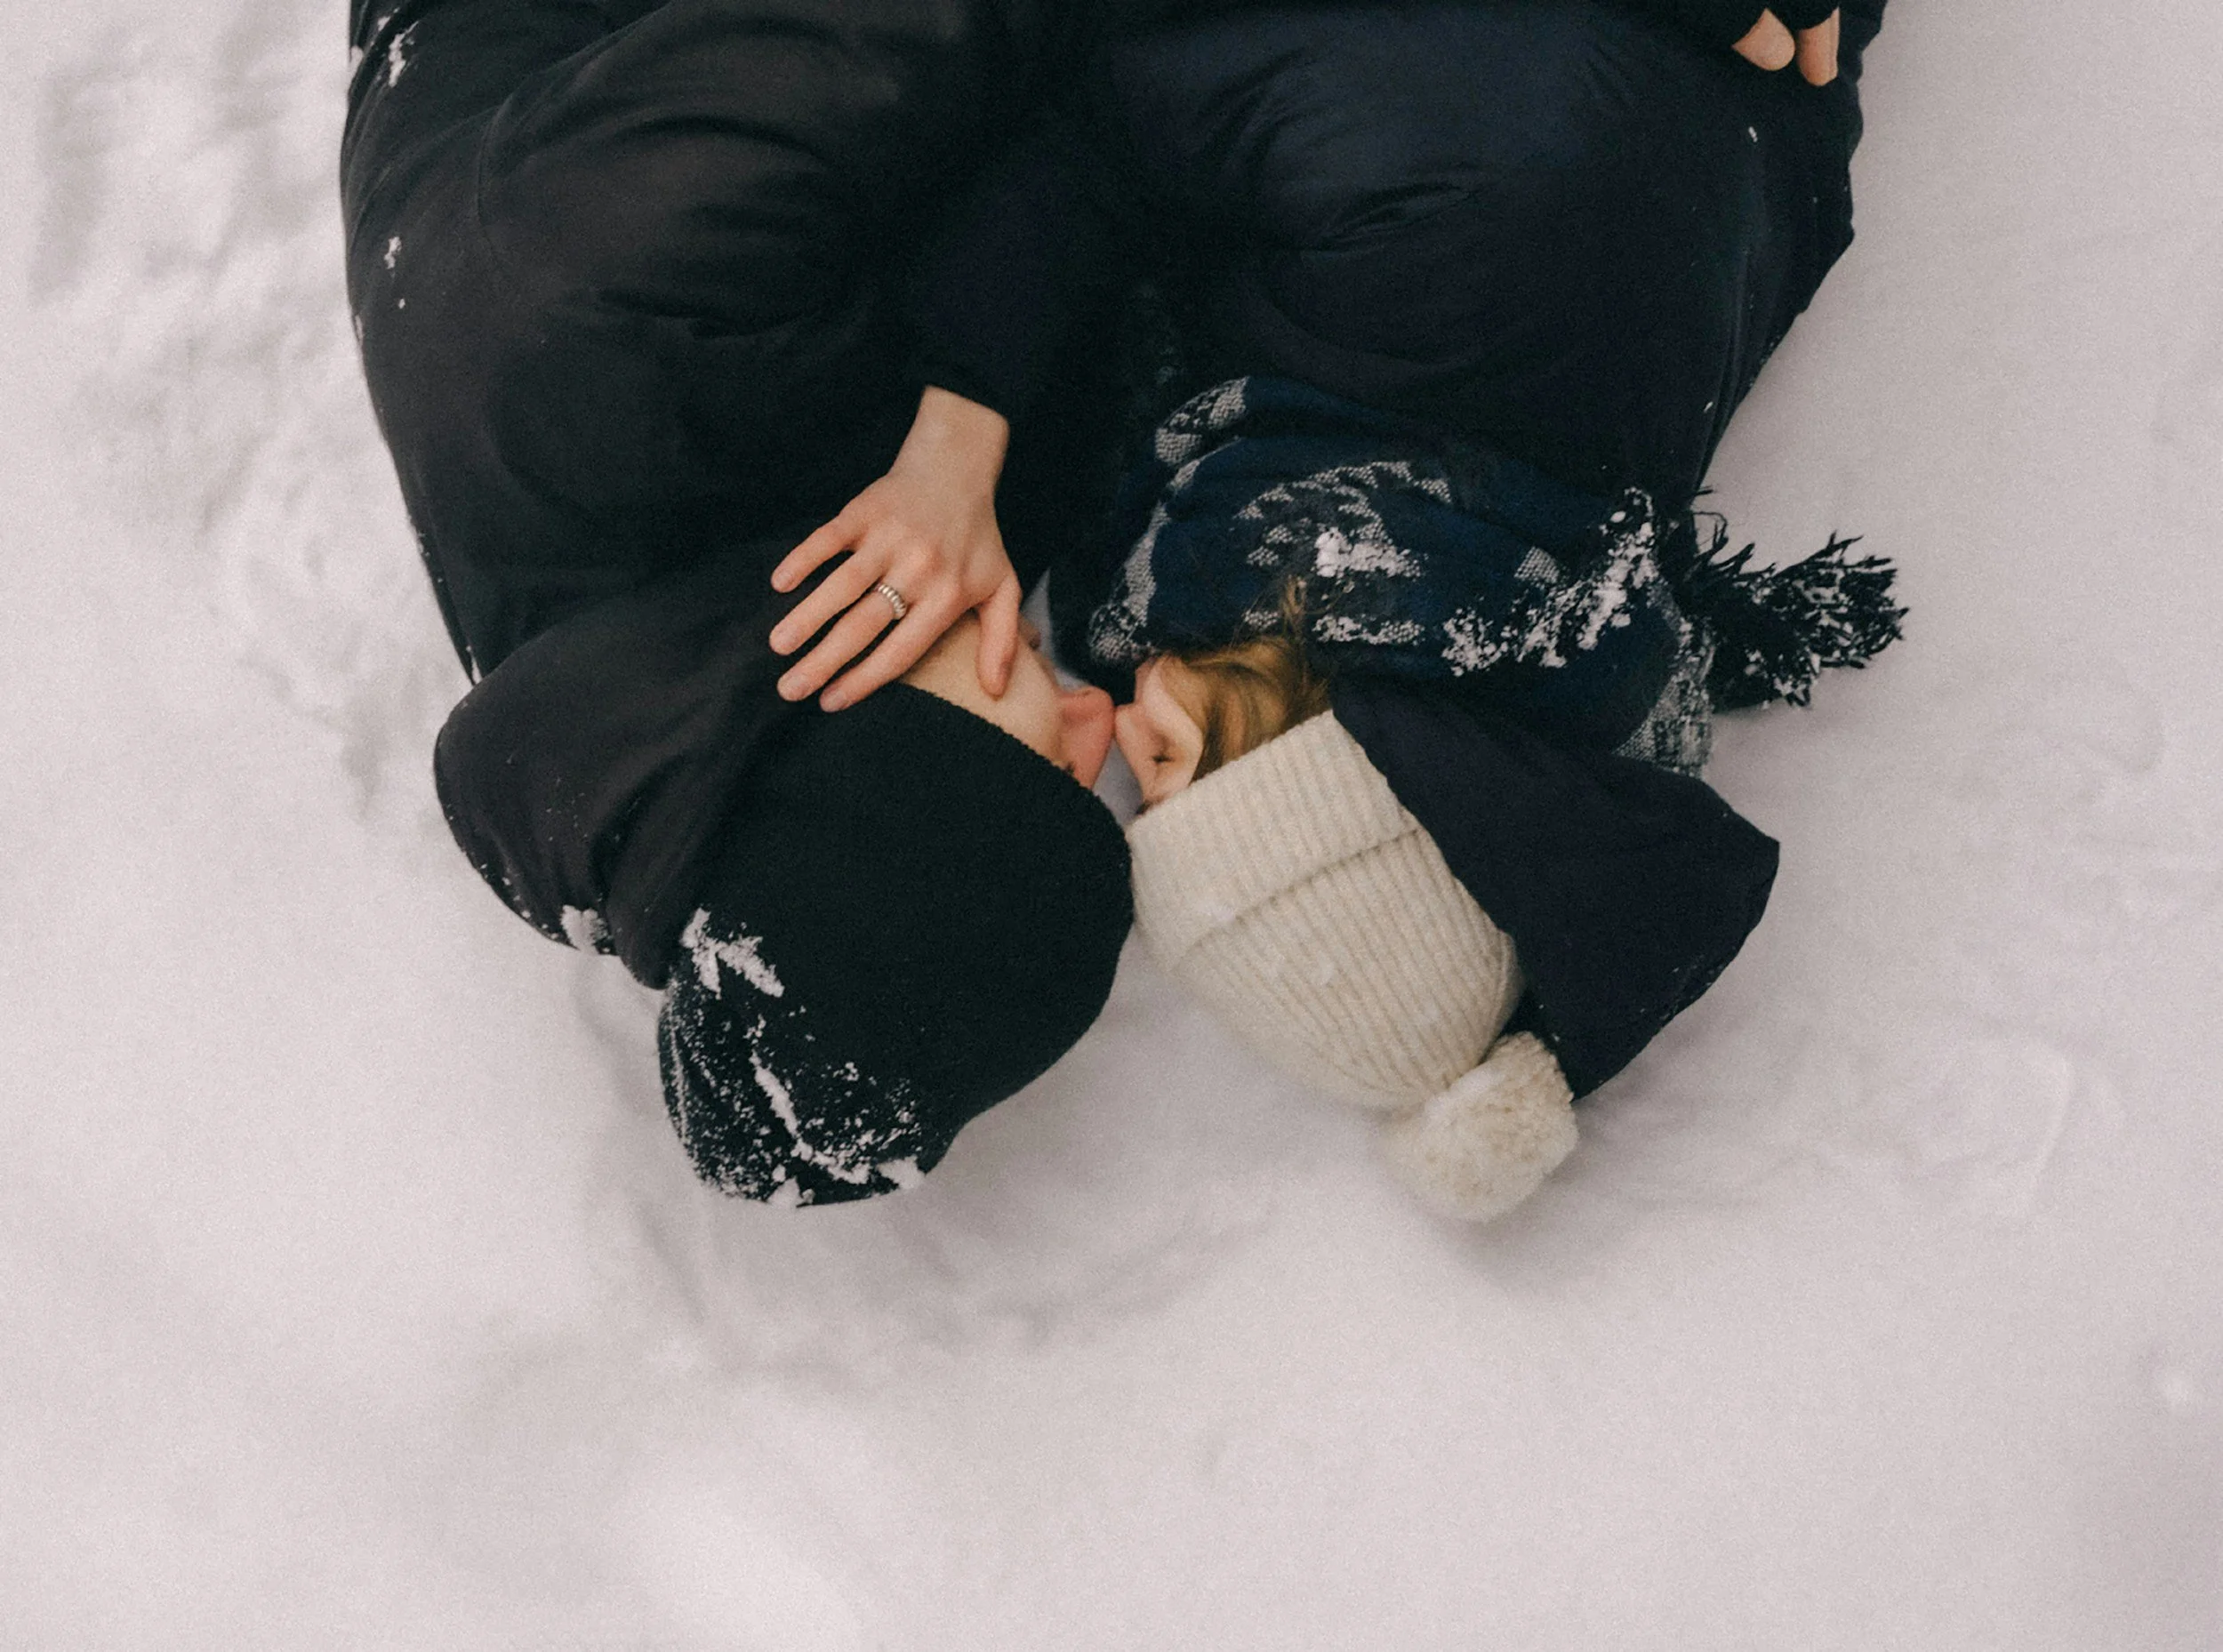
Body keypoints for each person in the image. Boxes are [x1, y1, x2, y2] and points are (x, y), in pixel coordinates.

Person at [1051, 0, 1899, 1217]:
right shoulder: (1460, 253)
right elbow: (1091, 85)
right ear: (1344, 692)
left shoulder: (1542, 501)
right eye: (1181, 764)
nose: (1120, 736)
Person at [341, 0, 1149, 1205]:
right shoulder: (755, 673)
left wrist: (974, 395)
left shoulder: (598, 302)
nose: (1101, 727)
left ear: (895, 760)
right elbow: (1106, 170)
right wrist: (966, 421)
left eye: (1056, 773)